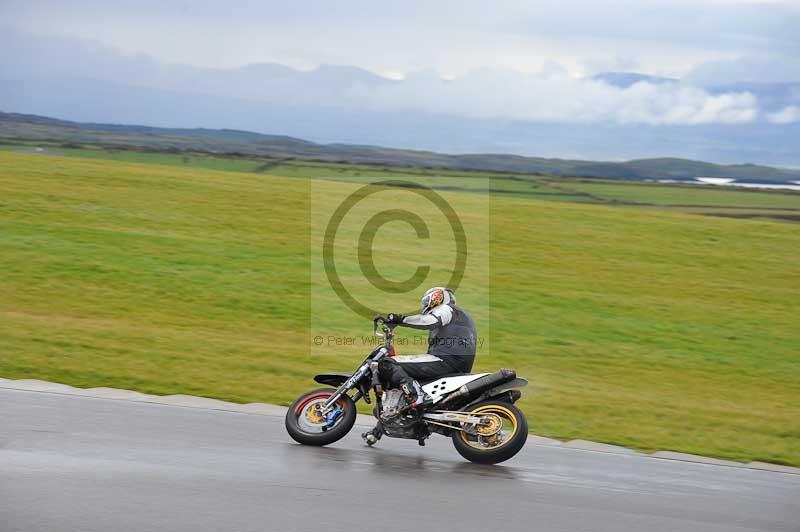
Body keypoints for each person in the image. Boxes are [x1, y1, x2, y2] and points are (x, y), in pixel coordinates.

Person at [371, 286, 477, 420]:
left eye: (427, 301)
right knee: (404, 372)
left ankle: (415, 395)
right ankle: (385, 423)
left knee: (388, 363)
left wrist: (400, 319)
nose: (425, 305)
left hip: (445, 360)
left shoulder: (447, 309)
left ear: (437, 298)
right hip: (457, 363)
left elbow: (427, 321)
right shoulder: (459, 316)